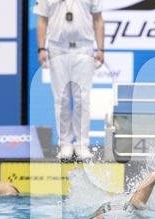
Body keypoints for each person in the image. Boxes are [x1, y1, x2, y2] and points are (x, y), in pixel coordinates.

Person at [34, 0, 105, 162]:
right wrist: (41, 49)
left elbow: (98, 19)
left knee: (82, 98)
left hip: (83, 47)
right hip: (57, 47)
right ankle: (65, 143)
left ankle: (82, 144)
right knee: (62, 98)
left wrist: (101, 48)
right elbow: (42, 20)